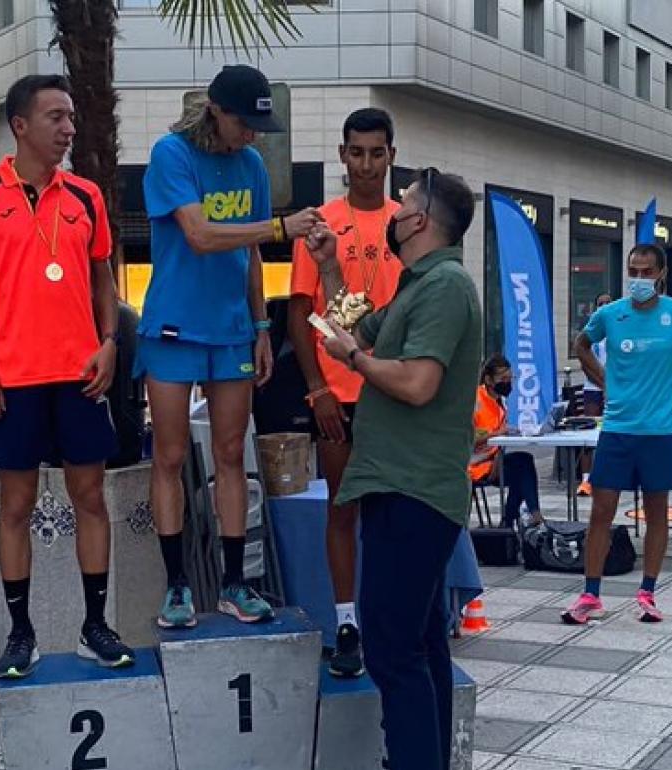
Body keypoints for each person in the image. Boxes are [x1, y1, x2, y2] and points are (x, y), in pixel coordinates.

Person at [0, 74, 133, 677]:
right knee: (16, 505)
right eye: (56, 117)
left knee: (90, 499)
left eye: (72, 116)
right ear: (20, 125)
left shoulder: (85, 198)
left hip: (79, 374)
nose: (69, 128)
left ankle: (95, 626)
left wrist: (108, 344)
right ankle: (19, 633)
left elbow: (104, 275)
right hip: (13, 378)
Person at [137, 64, 323, 629]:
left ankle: (235, 583)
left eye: (258, 126)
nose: (251, 134)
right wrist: (277, 228)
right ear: (216, 110)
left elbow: (249, 256)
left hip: (232, 333)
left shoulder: (251, 166)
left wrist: (261, 328)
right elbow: (198, 235)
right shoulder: (171, 155)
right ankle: (176, 586)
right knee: (169, 458)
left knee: (230, 459)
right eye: (244, 122)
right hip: (172, 328)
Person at [313, 167, 480, 770]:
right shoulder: (420, 285)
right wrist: (330, 265)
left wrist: (354, 359)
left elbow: (415, 382)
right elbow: (356, 323)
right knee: (422, 642)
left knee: (390, 649)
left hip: (414, 489)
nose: (393, 211)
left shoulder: (446, 288)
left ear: (421, 220)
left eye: (403, 203)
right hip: (400, 485)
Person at [287, 107, 402, 678]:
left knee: (392, 513)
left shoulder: (408, 223)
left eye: (376, 152)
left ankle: (391, 620)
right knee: (341, 509)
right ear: (341, 155)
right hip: (339, 394)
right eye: (356, 152)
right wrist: (316, 389)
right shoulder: (320, 225)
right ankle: (347, 623)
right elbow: (302, 314)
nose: (365, 163)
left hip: (395, 390)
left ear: (391, 156)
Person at [563, 243, 672, 625]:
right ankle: (590, 594)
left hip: (660, 429)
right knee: (601, 511)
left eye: (646, 272)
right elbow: (581, 346)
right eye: (633, 271)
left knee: (656, 513)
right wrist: (601, 379)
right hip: (618, 428)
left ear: (661, 274)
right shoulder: (610, 314)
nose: (638, 279)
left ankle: (648, 592)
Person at [469, 354, 543, 528]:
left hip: (494, 460)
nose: (508, 383)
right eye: (503, 379)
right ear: (488, 379)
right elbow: (467, 439)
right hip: (477, 465)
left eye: (511, 378)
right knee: (522, 467)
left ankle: (511, 522)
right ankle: (528, 517)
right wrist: (498, 433)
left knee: (524, 463)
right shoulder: (475, 401)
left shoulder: (499, 402)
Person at [577, 292, 612, 497]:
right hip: (593, 388)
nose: (604, 306)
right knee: (588, 432)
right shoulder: (589, 332)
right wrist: (603, 384)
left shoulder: (618, 331)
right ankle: (585, 479)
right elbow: (584, 362)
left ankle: (607, 475)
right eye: (600, 304)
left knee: (610, 432)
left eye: (608, 303)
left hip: (614, 389)